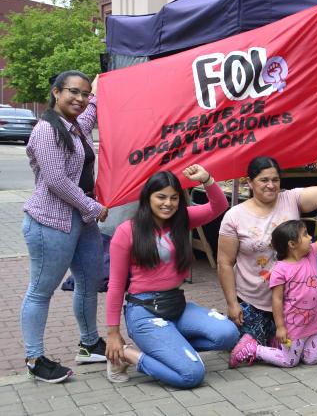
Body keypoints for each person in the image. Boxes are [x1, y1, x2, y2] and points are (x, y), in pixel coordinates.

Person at [104, 166, 238, 388]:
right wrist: (113, 333)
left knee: (228, 334)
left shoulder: (182, 219)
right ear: (148, 198)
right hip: (144, 312)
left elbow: (219, 206)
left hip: (176, 305)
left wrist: (206, 179)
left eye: (174, 198)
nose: (168, 203)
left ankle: (170, 346)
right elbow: (116, 286)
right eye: (161, 197)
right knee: (191, 375)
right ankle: (128, 355)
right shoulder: (127, 231)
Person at [22, 71, 108, 383]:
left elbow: (90, 113)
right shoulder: (47, 130)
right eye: (74, 92)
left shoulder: (75, 128)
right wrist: (94, 207)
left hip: (81, 222)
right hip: (50, 222)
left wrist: (98, 90)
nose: (80, 99)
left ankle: (89, 344)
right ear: (56, 92)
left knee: (89, 281)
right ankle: (34, 358)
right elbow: (57, 181)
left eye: (84, 94)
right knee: (41, 291)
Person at [217, 155, 317, 346]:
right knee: (248, 348)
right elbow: (225, 263)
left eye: (275, 179)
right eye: (264, 180)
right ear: (250, 182)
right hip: (252, 301)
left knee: (292, 350)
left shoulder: (291, 198)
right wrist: (232, 304)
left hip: (292, 302)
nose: (271, 185)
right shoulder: (234, 216)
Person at [229, 203, 317, 368]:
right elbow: (277, 300)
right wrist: (280, 327)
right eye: (305, 235)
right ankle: (254, 348)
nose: (310, 237)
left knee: (312, 359)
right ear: (292, 244)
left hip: (314, 323)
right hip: (294, 326)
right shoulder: (280, 270)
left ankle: (277, 344)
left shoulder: (310, 254)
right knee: (289, 361)